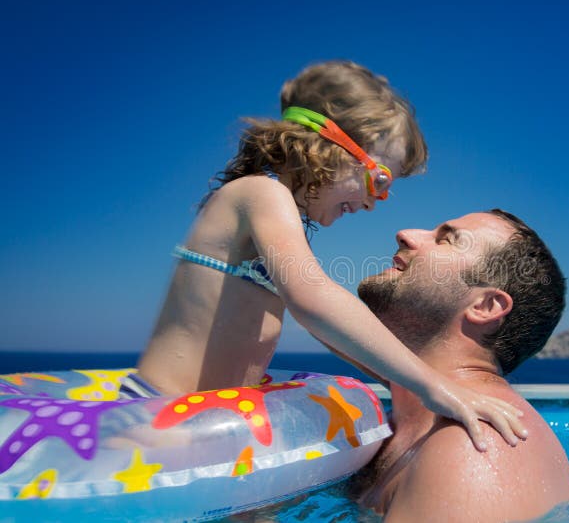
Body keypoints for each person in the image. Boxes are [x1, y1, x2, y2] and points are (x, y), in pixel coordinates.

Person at [126, 61, 526, 450]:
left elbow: (325, 328)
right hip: (160, 412)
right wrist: (433, 386)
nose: (374, 202)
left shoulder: (276, 214)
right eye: (379, 180)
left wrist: (400, 382)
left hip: (208, 415)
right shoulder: (260, 193)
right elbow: (313, 299)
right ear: (331, 143)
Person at [348, 209, 569, 521]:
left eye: (446, 240)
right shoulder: (416, 402)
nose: (405, 233)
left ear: (485, 306)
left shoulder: (475, 447)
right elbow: (319, 315)